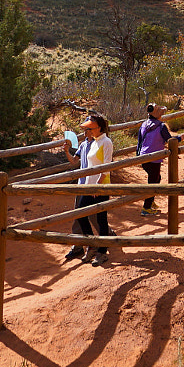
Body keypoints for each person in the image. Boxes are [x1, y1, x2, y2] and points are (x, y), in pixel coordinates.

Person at [64, 113, 113, 266]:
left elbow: (106, 167)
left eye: (90, 129)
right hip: (89, 186)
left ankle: (102, 252)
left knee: (101, 219)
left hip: (100, 186)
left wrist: (98, 185)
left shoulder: (106, 142)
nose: (88, 132)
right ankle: (92, 245)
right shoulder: (94, 143)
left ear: (98, 128)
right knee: (80, 214)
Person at [137, 104, 173, 216]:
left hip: (143, 157)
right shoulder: (161, 126)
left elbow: (139, 141)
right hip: (154, 158)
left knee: (156, 178)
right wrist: (180, 138)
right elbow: (169, 139)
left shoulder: (144, 124)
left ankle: (150, 202)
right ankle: (146, 208)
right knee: (153, 182)